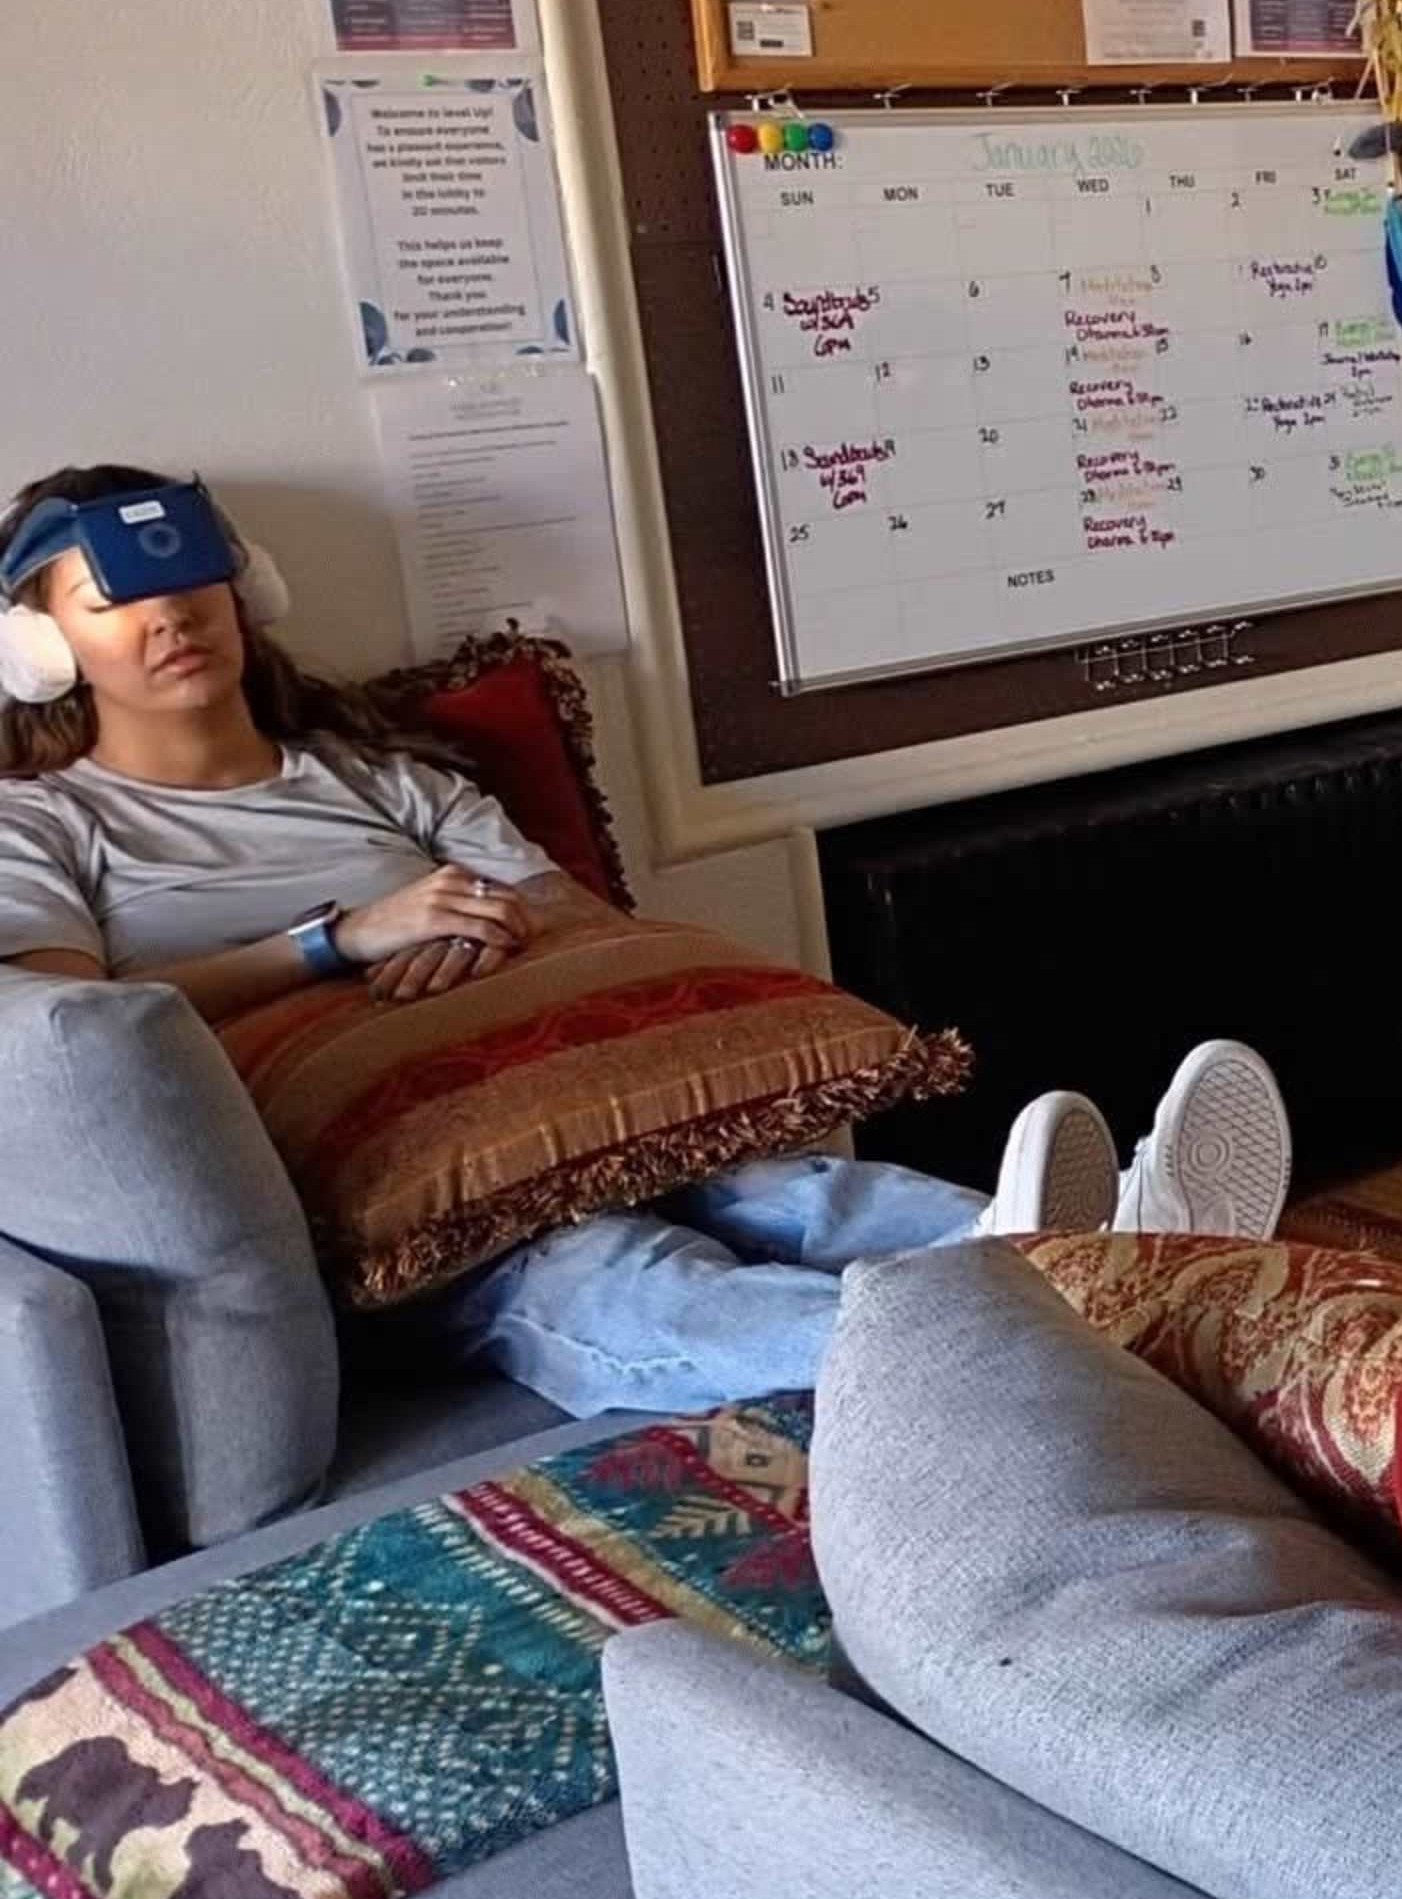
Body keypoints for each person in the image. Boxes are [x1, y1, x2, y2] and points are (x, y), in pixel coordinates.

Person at [0, 464, 1296, 1419]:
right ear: (44, 647)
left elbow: (559, 913)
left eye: (188, 582)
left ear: (244, 594)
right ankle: (1035, 1316)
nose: (170, 620)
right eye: (117, 601)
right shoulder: (45, 827)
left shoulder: (380, 779)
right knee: (612, 1263)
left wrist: (477, 934)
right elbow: (74, 1042)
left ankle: (1112, 1255)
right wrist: (334, 945)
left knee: (780, 1188)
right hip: (397, 1194)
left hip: (554, 1097)